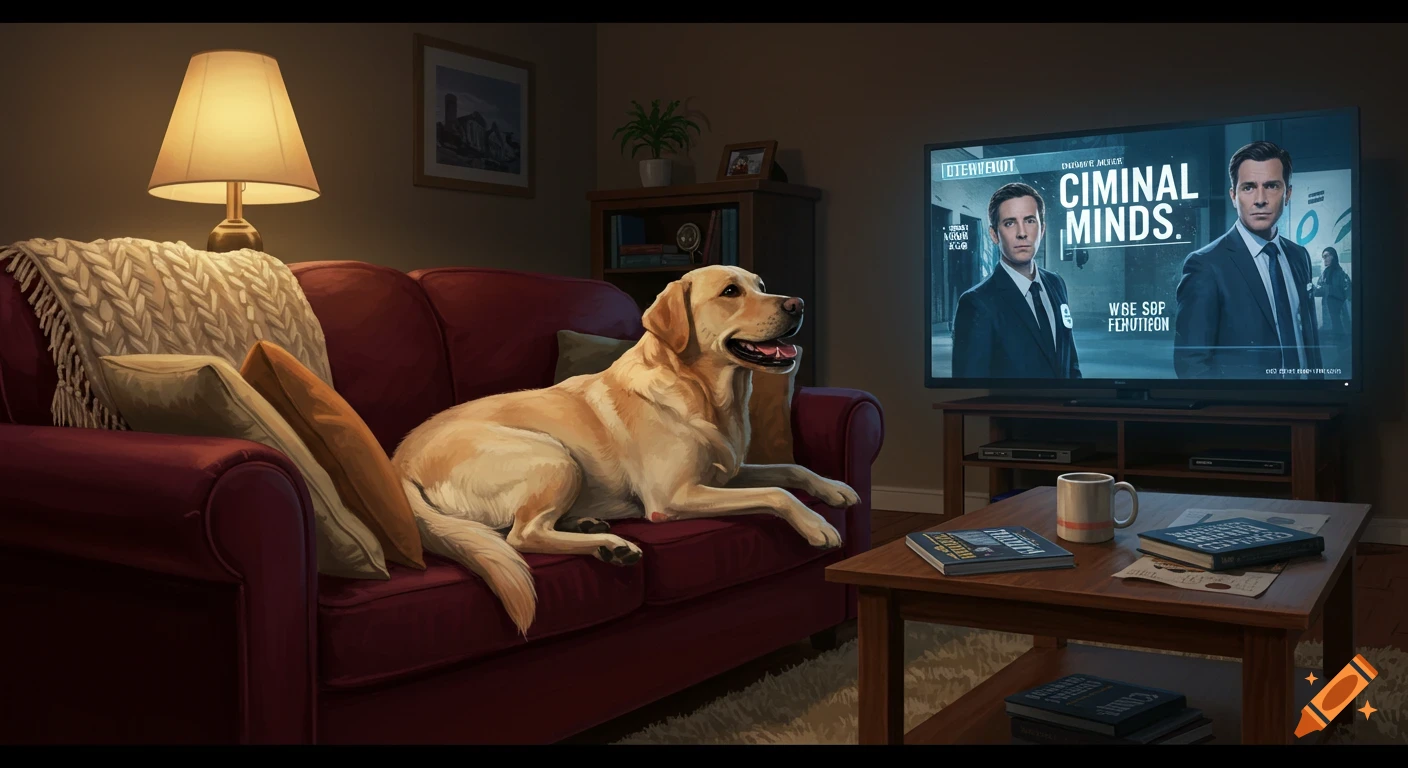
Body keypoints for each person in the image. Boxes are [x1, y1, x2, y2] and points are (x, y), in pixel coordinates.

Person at [1173, 140, 1322, 379]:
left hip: (1309, 408)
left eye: (1272, 186)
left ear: (1287, 194)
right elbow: (1192, 364)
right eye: (1248, 187)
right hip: (1247, 412)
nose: (1260, 199)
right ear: (1233, 196)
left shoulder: (1299, 256)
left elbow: (1309, 342)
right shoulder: (1205, 264)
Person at [951, 182, 1082, 379]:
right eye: (1010, 223)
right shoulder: (976, 303)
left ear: (1042, 229)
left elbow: (1070, 363)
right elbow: (970, 385)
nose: (1022, 233)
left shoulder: (1056, 284)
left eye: (1030, 221)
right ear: (994, 234)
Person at [1312, 246, 1351, 335]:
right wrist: (1312, 288)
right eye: (1323, 257)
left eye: (1326, 256)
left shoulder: (1342, 274)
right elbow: (1319, 290)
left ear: (1333, 256)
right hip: (1328, 314)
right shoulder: (1325, 274)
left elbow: (1348, 294)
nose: (1324, 259)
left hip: (1340, 313)